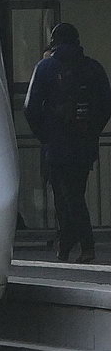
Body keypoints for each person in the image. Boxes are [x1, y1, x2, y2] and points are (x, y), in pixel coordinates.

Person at [24, 23, 111, 263]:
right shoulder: (93, 67)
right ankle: (67, 243)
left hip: (56, 143)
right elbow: (106, 105)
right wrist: (93, 131)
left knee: (66, 196)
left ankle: (83, 244)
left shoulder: (45, 67)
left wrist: (45, 135)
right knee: (74, 192)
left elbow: (30, 107)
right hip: (84, 144)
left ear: (54, 42)